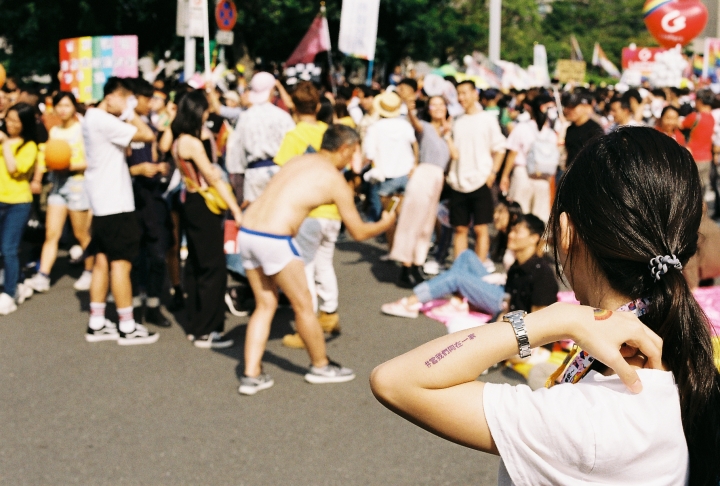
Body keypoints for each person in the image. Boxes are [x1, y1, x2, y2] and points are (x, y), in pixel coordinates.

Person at [371, 127, 720, 485]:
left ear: (566, 233)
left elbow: (395, 380)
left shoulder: (589, 419)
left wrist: (554, 318)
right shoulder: (678, 364)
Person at [237, 125, 396, 395]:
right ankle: (320, 366)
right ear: (345, 149)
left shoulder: (297, 160)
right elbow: (358, 231)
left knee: (265, 304)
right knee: (304, 306)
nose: (353, 160)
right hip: (275, 239)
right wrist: (385, 223)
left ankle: (251, 374)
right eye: (354, 152)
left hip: (248, 231)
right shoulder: (335, 180)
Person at [82, 77, 159, 345]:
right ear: (113, 96)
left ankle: (97, 321)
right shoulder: (103, 120)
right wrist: (129, 112)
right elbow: (147, 135)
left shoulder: (91, 118)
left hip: (103, 203)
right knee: (121, 264)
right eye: (126, 99)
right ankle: (127, 325)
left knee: (102, 262)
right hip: (116, 204)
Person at [268, 82, 342, 349]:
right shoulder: (329, 132)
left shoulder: (294, 136)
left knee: (305, 268)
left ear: (293, 107)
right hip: (333, 209)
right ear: (318, 106)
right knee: (325, 263)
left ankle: (307, 324)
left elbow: (282, 172)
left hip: (307, 212)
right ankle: (329, 313)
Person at [381, 214, 557, 318]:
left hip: (503, 302)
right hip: (503, 290)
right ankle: (458, 300)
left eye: (517, 232)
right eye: (512, 230)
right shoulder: (520, 261)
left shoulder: (539, 271)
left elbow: (535, 315)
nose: (510, 235)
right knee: (467, 255)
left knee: (458, 277)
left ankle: (411, 303)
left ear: (534, 238)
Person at [172, 90, 243, 348]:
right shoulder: (191, 142)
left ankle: (196, 323)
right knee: (213, 267)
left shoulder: (179, 140)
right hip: (204, 203)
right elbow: (213, 178)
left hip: (189, 202)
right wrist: (235, 208)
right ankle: (207, 329)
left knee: (196, 263)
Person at [24, 92, 94, 294]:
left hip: (77, 185)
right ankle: (43, 275)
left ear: (74, 107)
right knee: (51, 233)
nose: (63, 110)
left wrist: (68, 165)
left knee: (82, 234)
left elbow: (91, 161)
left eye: (67, 105)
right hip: (58, 184)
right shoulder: (54, 131)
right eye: (59, 106)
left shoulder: (82, 130)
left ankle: (89, 270)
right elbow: (46, 157)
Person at [389, 93, 455, 288]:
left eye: (441, 105)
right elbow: (415, 123)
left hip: (438, 179)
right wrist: (409, 108)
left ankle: (417, 263)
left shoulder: (446, 132)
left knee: (426, 225)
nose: (438, 108)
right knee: (412, 221)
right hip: (423, 175)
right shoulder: (424, 127)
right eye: (433, 105)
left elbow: (454, 155)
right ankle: (405, 266)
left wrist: (447, 132)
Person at [126, 78, 172, 328]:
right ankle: (132, 306)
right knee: (134, 256)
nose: (152, 104)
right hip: (130, 198)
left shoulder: (149, 125)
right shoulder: (119, 126)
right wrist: (136, 170)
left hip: (152, 197)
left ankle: (153, 305)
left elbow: (157, 154)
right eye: (148, 99)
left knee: (157, 253)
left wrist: (159, 167)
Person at [447, 80, 506, 264]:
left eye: (464, 93)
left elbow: (500, 148)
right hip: (458, 181)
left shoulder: (487, 119)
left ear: (475, 94)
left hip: (481, 180)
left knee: (481, 229)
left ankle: (479, 270)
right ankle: (460, 269)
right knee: (460, 229)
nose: (461, 98)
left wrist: (492, 174)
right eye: (458, 94)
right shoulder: (456, 121)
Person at [224, 72, 294, 205]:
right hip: (279, 172)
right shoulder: (282, 116)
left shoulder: (245, 117)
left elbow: (237, 150)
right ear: (272, 89)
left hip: (253, 175)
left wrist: (237, 175)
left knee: (256, 218)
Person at [0, 103, 39, 314]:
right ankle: (19, 281)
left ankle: (10, 292)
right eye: (8, 119)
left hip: (17, 203)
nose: (10, 124)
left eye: (16, 120)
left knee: (9, 248)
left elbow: (14, 169)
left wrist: (6, 143)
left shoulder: (29, 146)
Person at [500, 94, 558, 223]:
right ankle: (537, 242)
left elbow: (512, 154)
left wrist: (505, 176)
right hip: (543, 177)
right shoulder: (551, 133)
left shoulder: (522, 128)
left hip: (522, 174)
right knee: (540, 215)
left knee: (519, 213)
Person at [363, 90, 418, 223]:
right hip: (406, 173)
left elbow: (369, 154)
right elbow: (414, 144)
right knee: (403, 215)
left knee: (389, 216)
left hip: (387, 176)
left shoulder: (374, 128)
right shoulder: (405, 125)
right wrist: (415, 164)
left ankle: (393, 242)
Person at [681, 88, 715, 196]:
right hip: (707, 159)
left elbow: (681, 125)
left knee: (691, 191)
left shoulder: (695, 116)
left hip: (693, 157)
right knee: (702, 191)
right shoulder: (712, 118)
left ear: (700, 100)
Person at [563, 91, 603, 167]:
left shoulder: (594, 130)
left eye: (573, 107)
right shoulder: (570, 129)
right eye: (568, 107)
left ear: (585, 107)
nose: (570, 111)